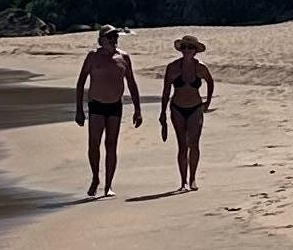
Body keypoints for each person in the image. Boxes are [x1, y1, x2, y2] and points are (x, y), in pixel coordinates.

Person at [74, 26, 143, 196]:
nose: (113, 39)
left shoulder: (123, 57)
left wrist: (137, 109)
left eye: (114, 37)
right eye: (109, 37)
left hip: (115, 105)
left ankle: (108, 185)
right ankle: (95, 178)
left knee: (111, 145)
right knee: (94, 143)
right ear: (100, 40)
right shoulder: (92, 57)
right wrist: (79, 110)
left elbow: (132, 84)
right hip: (96, 104)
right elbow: (81, 82)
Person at [159, 34, 215, 191]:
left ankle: (193, 179)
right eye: (184, 47)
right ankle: (183, 181)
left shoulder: (201, 67)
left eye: (190, 47)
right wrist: (162, 112)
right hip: (177, 107)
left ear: (195, 51)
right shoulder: (173, 67)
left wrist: (208, 102)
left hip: (195, 107)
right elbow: (166, 90)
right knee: (182, 145)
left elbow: (210, 82)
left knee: (194, 144)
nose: (187, 50)